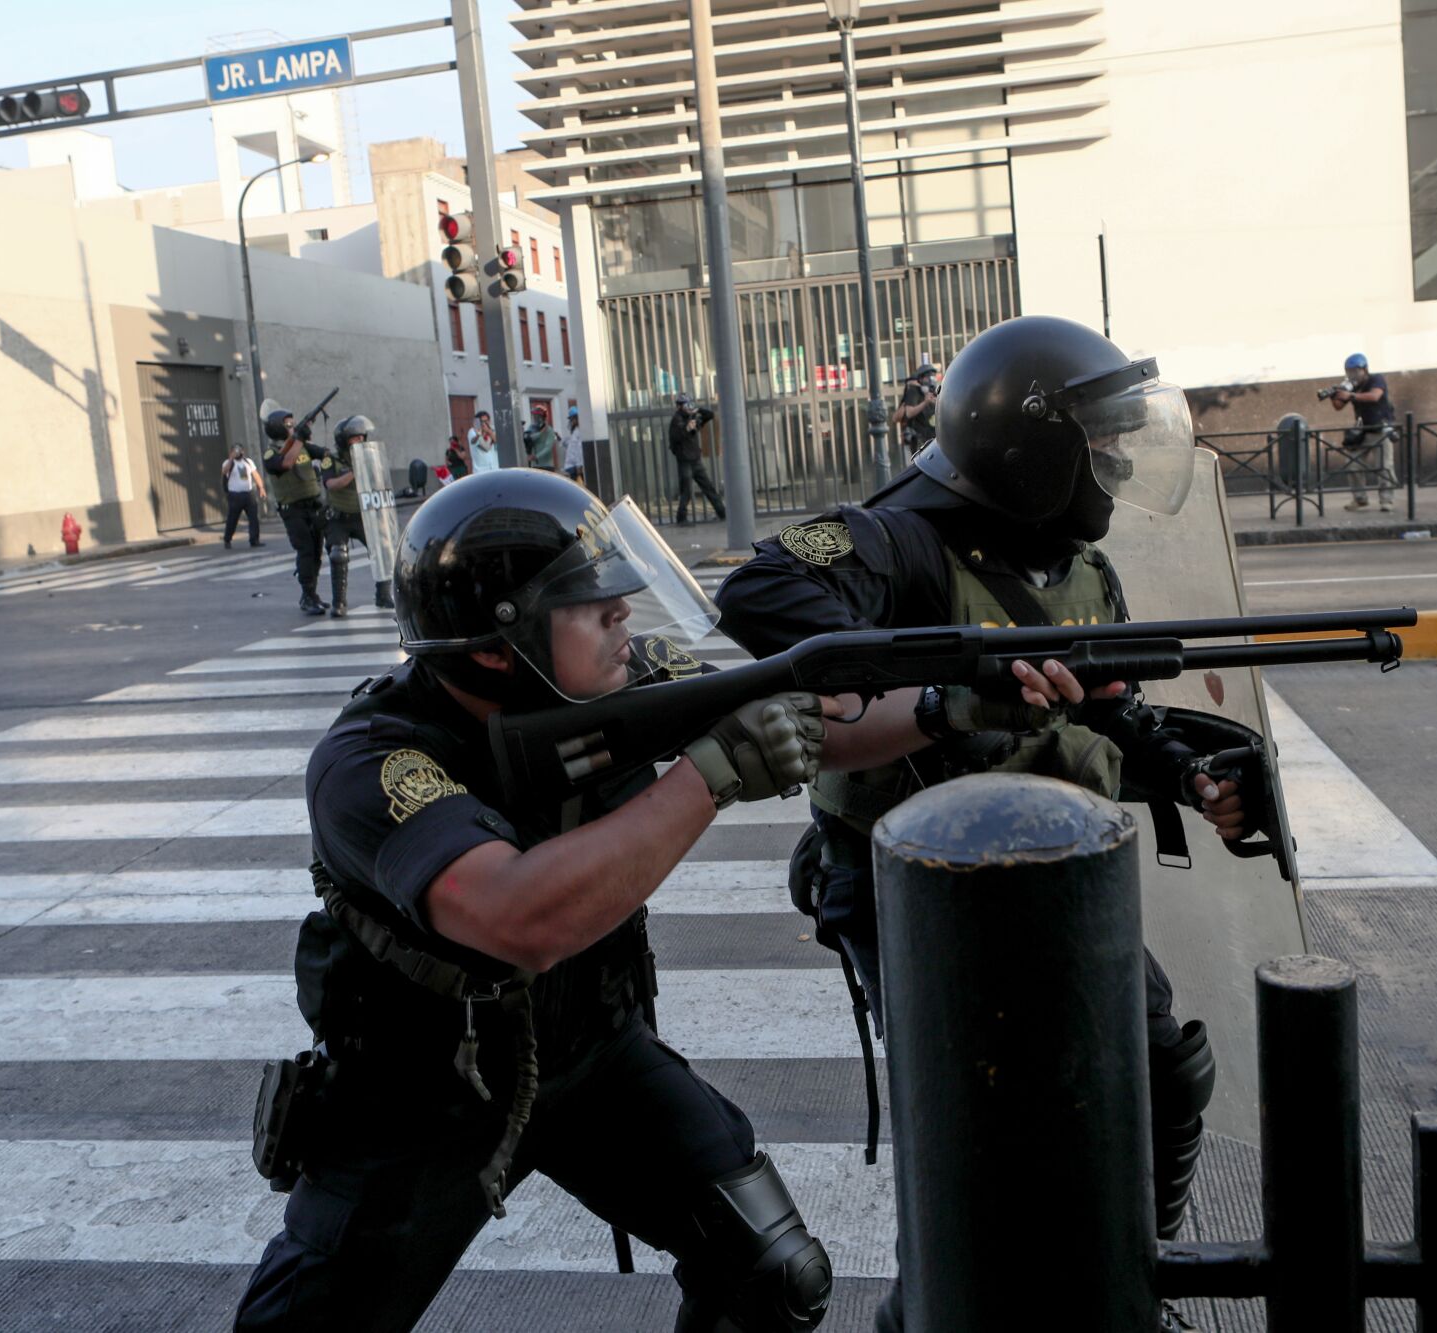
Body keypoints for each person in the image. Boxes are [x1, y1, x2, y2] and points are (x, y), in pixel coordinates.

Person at [716, 314, 1251, 1333]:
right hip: (917, 885)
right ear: (1032, 451)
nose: (1116, 461)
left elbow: (1107, 712)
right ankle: (929, 1311)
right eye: (1096, 442)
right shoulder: (897, 539)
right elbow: (761, 588)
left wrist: (1186, 772)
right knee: (967, 1128)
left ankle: (1126, 1278)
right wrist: (947, 677)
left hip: (1057, 874)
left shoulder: (1080, 570)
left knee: (1156, 1077)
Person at [236, 470, 835, 1333]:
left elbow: (810, 715)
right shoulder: (372, 761)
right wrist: (706, 777)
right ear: (493, 646)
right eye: (595, 606)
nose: (625, 617)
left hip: (593, 1053)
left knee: (775, 1272)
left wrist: (948, 701)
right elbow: (521, 920)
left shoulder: (620, 679)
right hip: (424, 1092)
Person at [321, 415, 395, 617]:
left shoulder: (370, 456)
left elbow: (379, 483)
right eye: (355, 438)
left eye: (362, 437)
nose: (359, 442)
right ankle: (339, 603)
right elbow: (330, 485)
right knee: (338, 554)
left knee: (382, 549)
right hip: (338, 516)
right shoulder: (331, 460)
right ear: (344, 440)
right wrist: (355, 472)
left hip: (363, 515)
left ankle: (383, 595)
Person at [263, 409, 331, 616]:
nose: (292, 428)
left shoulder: (303, 447)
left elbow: (326, 454)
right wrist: (299, 439)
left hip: (313, 505)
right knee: (305, 550)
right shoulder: (271, 453)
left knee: (317, 552)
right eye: (288, 425)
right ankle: (307, 595)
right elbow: (286, 463)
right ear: (277, 428)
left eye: (294, 425)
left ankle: (312, 593)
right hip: (293, 510)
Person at [1328, 351, 1399, 512]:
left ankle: (1386, 500)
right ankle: (1360, 499)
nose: (1352, 374)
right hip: (1362, 432)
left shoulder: (1376, 379)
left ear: (1365, 369)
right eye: (1349, 371)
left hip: (1381, 429)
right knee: (1352, 464)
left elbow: (1374, 396)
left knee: (1385, 466)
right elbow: (1338, 407)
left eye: (1355, 370)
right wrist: (1334, 395)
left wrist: (1350, 395)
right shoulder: (1352, 385)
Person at [667, 393, 726, 525]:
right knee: (686, 490)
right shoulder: (676, 420)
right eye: (686, 404)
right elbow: (675, 439)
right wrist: (687, 429)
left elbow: (709, 415)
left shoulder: (691, 417)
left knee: (708, 487)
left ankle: (722, 512)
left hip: (695, 460)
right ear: (679, 406)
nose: (688, 407)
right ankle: (681, 518)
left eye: (690, 404)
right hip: (685, 461)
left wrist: (697, 410)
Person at [222, 445, 265, 549]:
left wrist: (261, 487)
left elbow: (255, 474)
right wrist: (231, 458)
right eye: (235, 451)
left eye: (240, 451)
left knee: (253, 518)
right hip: (235, 495)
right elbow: (224, 471)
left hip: (248, 494)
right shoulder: (228, 462)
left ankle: (254, 540)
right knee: (232, 519)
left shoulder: (248, 462)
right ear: (231, 452)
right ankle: (227, 539)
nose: (238, 453)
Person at [891, 363, 938, 456]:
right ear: (920, 378)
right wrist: (925, 402)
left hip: (934, 439)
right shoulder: (914, 392)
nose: (930, 379)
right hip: (919, 443)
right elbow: (909, 413)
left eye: (932, 376)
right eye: (927, 376)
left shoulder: (934, 391)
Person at [525, 405, 561, 472]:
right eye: (534, 416)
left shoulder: (549, 430)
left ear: (541, 417)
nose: (535, 419)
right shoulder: (531, 428)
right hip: (534, 466)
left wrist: (536, 456)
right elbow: (529, 439)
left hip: (546, 465)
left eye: (537, 416)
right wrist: (540, 433)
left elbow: (548, 448)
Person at [562, 405, 586, 484]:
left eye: (572, 419)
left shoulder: (579, 431)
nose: (571, 421)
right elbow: (572, 446)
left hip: (574, 467)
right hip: (571, 466)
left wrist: (579, 465)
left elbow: (579, 450)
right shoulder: (575, 431)